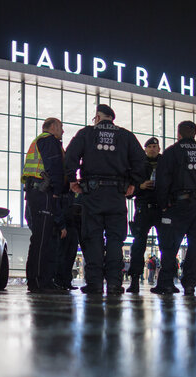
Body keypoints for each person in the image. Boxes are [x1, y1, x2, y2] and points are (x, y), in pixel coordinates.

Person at [65, 104, 147, 295]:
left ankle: (94, 283)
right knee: (115, 239)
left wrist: (71, 180)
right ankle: (113, 284)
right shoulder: (126, 136)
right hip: (117, 195)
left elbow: (70, 156)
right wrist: (133, 183)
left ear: (98, 116)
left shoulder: (87, 133)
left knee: (92, 237)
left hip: (92, 193)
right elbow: (141, 162)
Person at [152, 120, 196, 295]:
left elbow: (163, 180)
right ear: (195, 134)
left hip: (179, 203)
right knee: (195, 245)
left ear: (179, 134)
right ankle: (190, 284)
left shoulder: (172, 152)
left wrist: (163, 204)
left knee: (170, 244)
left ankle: (166, 283)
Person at [22, 117, 70, 294]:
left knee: (43, 239)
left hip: (36, 193)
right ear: (53, 127)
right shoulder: (49, 140)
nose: (62, 131)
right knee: (42, 240)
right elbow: (55, 166)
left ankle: (42, 280)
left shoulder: (39, 141)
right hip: (44, 193)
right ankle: (38, 281)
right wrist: (57, 190)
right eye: (61, 127)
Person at [126, 137, 162, 293]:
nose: (153, 149)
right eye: (150, 146)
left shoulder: (165, 163)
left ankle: (165, 281)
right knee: (138, 246)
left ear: (159, 149)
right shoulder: (138, 164)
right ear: (145, 149)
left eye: (155, 146)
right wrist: (140, 186)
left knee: (166, 246)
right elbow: (128, 191)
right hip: (143, 208)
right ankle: (135, 279)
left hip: (161, 208)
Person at [53, 192, 82, 290]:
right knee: (62, 255)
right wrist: (61, 226)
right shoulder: (62, 192)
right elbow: (58, 210)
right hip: (64, 227)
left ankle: (66, 282)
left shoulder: (73, 194)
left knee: (70, 255)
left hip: (73, 227)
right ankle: (59, 281)